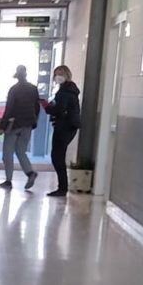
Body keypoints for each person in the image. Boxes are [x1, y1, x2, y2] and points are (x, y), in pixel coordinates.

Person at [0, 64, 40, 190]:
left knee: (7, 153)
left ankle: (8, 180)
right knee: (21, 151)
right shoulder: (33, 88)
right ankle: (30, 173)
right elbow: (37, 107)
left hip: (14, 124)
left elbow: (9, 109)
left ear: (17, 76)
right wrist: (34, 121)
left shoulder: (14, 89)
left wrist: (2, 125)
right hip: (28, 124)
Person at [42, 65, 81, 198]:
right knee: (58, 156)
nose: (58, 77)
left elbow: (58, 109)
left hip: (64, 127)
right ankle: (62, 187)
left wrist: (47, 107)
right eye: (56, 74)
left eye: (61, 74)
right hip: (68, 126)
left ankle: (62, 188)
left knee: (57, 157)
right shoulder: (69, 90)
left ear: (67, 75)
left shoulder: (65, 92)